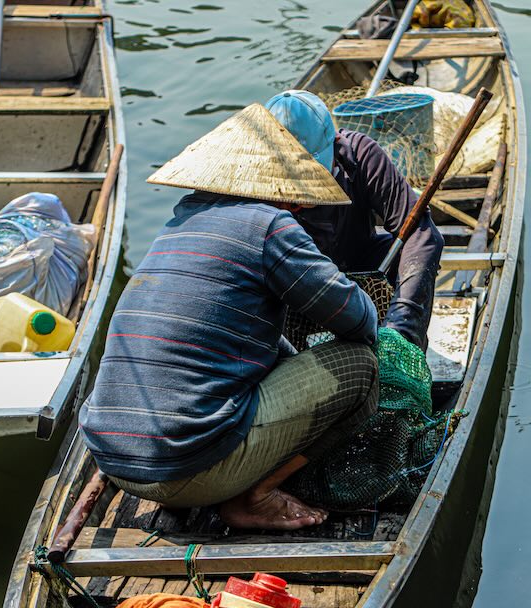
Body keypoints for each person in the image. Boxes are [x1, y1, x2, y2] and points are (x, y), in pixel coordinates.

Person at [80, 104, 380, 530]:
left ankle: (204, 480)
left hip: (114, 460)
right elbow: (357, 320)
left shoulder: (179, 223)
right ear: (284, 188)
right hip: (185, 469)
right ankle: (254, 497)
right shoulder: (270, 225)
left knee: (270, 355)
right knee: (361, 366)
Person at [264, 90, 445, 352]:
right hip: (294, 282)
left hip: (358, 270)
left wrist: (402, 323)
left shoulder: (361, 156)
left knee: (404, 252)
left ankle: (404, 347)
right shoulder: (254, 181)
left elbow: (422, 235)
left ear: (335, 144)